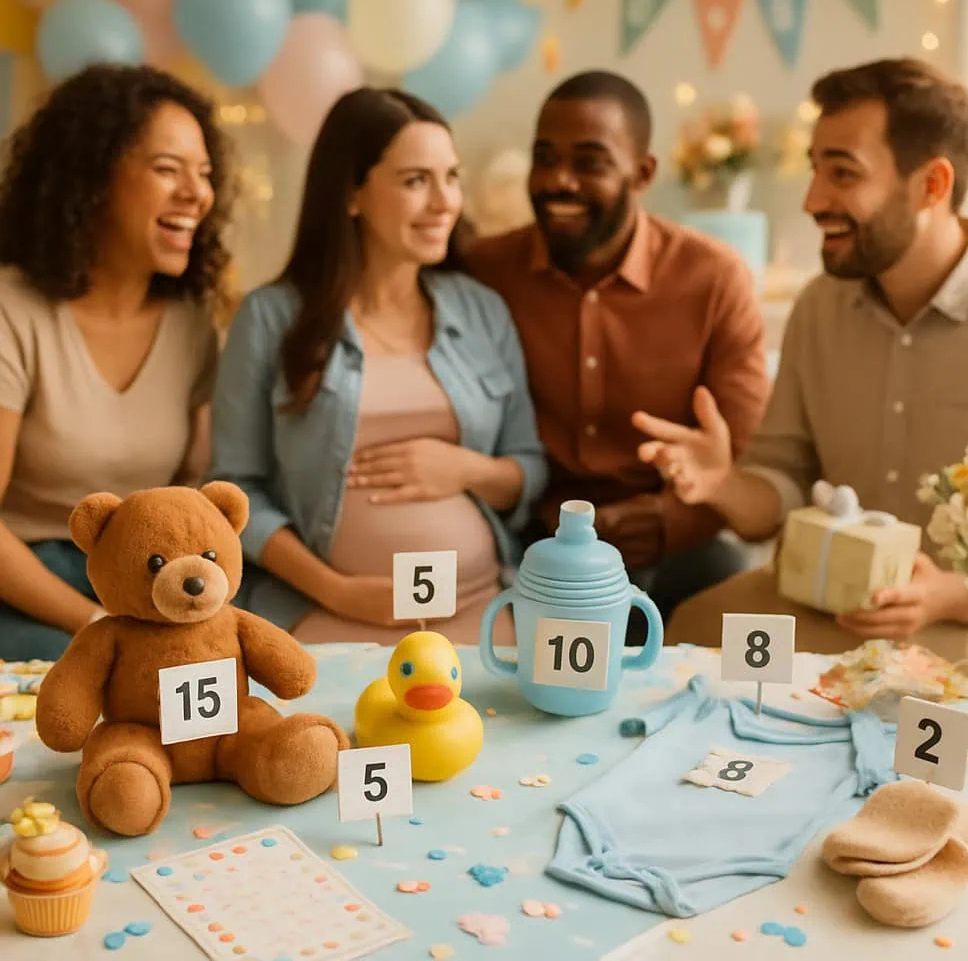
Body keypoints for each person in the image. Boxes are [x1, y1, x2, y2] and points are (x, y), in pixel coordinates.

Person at [655, 57, 968, 660]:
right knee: (692, 629)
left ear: (932, 185)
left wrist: (952, 595)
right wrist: (723, 484)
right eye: (815, 171)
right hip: (822, 614)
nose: (812, 200)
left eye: (843, 174)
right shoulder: (819, 307)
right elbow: (779, 488)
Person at [208, 87, 545, 645]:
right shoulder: (270, 317)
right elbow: (234, 491)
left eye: (451, 177)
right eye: (415, 181)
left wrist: (464, 469)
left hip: (480, 609)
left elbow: (528, 466)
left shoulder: (482, 310)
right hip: (327, 614)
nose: (445, 202)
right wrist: (336, 591)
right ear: (351, 194)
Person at [463, 70, 770, 639]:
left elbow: (748, 461)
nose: (559, 181)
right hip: (524, 541)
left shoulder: (713, 279)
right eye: (544, 158)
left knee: (726, 587)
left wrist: (668, 520)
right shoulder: (484, 270)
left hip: (672, 545)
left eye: (589, 162)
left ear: (643, 173)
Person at [0, 64, 232, 661]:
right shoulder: (12, 309)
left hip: (148, 583)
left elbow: (193, 494)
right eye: (168, 169)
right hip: (28, 590)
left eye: (205, 174)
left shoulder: (192, 323)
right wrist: (96, 621)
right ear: (92, 178)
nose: (197, 194)